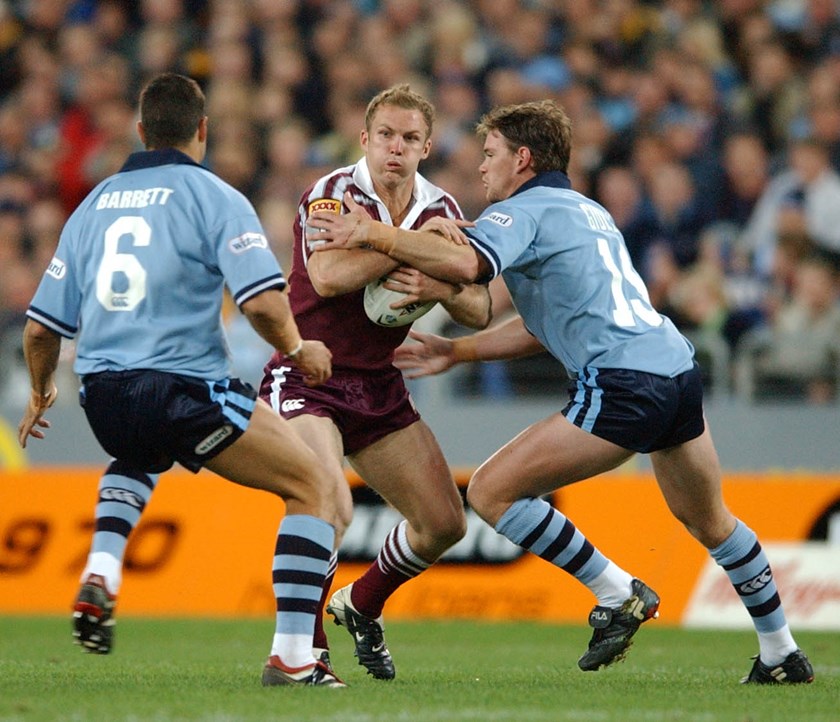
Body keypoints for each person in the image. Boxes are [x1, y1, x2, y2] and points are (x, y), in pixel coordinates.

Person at [307, 99, 814, 685]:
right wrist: (459, 350)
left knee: (493, 491)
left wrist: (372, 232)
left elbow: (470, 268)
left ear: (522, 159)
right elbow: (544, 321)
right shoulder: (585, 210)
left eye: (491, 154)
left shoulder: (525, 209)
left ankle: (617, 591)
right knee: (712, 522)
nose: (481, 168)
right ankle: (782, 652)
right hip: (676, 371)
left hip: (623, 384)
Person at [17, 73, 347, 688]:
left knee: (139, 450)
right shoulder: (214, 196)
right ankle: (294, 657)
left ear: (140, 132)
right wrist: (299, 349)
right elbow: (262, 304)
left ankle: (104, 568)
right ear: (202, 129)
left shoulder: (92, 204)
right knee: (317, 488)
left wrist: (40, 391)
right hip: (184, 388)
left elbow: (39, 331)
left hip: (102, 395)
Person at [258, 84, 491, 680]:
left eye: (410, 139)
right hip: (310, 373)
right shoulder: (332, 194)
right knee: (324, 500)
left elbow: (478, 307)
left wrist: (438, 284)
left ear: (427, 147)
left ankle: (361, 605)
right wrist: (409, 252)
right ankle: (301, 656)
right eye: (386, 135)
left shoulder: (442, 210)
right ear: (364, 139)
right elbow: (330, 275)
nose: (396, 148)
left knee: (444, 523)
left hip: (379, 385)